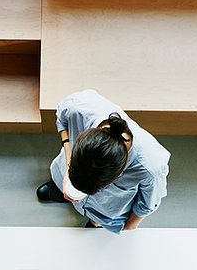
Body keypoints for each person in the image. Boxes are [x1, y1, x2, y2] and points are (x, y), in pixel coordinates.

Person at [36, 89, 170, 233]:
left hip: (105, 210)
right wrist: (68, 165)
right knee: (58, 188)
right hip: (63, 174)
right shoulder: (79, 108)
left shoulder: (150, 167)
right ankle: (58, 189)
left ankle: (95, 222)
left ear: (118, 174)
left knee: (98, 221)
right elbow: (62, 118)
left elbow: (147, 204)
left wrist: (129, 226)